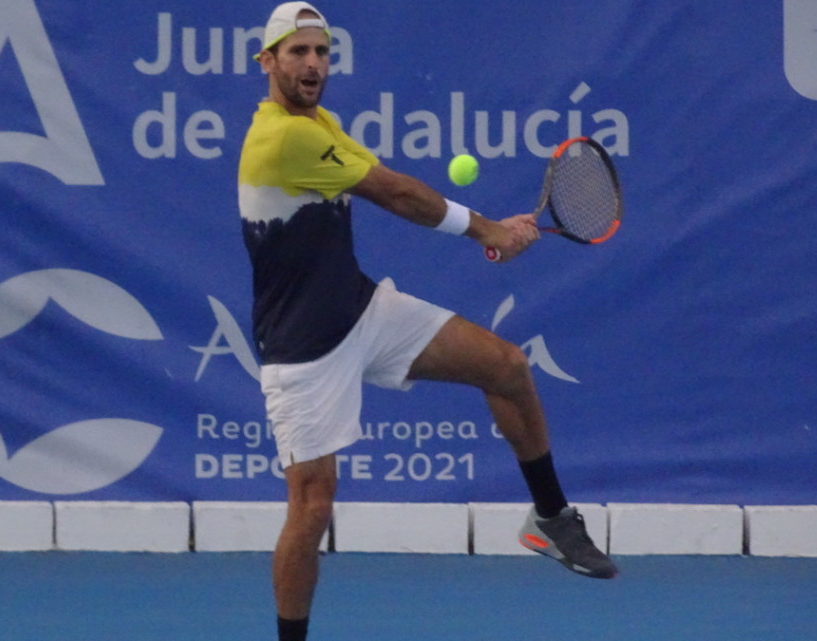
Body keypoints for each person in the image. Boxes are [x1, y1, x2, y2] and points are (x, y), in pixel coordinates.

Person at [237, 4, 618, 640]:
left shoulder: (319, 121)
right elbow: (397, 194)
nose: (311, 64)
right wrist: (486, 230)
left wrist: (495, 229)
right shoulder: (283, 136)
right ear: (268, 61)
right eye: (297, 52)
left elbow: (396, 182)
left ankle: (551, 517)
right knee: (312, 507)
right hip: (303, 349)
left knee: (506, 367)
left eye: (321, 52)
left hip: (361, 309)